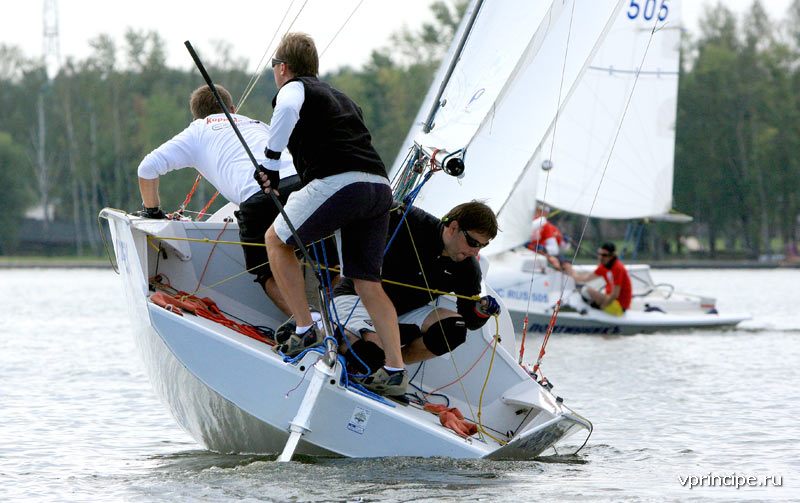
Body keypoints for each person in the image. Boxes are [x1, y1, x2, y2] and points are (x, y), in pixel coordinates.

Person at [256, 32, 405, 393]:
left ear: (284, 67)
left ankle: (306, 330)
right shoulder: (343, 98)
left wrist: (270, 165)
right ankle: (395, 370)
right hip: (379, 187)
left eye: (276, 66)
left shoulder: (294, 89)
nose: (276, 72)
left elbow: (287, 110)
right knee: (367, 281)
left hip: (342, 183)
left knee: (276, 241)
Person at [136, 84, 303, 315]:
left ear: (196, 117)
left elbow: (147, 168)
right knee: (326, 263)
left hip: (259, 197)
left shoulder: (197, 131)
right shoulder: (257, 124)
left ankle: (309, 326)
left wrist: (152, 212)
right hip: (302, 186)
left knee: (264, 272)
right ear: (233, 109)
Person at [332, 201, 501, 395]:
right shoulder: (408, 219)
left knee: (455, 329)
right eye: (472, 242)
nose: (475, 251)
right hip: (357, 299)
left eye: (482, 246)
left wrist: (480, 311)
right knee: (370, 356)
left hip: (400, 315)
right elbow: (365, 209)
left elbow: (469, 319)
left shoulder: (468, 267)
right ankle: (370, 356)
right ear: (453, 227)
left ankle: (394, 367)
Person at [563, 242, 631, 316]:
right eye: (599, 254)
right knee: (585, 291)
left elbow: (615, 294)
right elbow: (584, 278)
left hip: (619, 307)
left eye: (604, 255)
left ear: (612, 256)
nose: (600, 257)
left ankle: (597, 310)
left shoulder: (618, 268)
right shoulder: (603, 267)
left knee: (587, 290)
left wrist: (603, 306)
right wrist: (570, 270)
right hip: (611, 302)